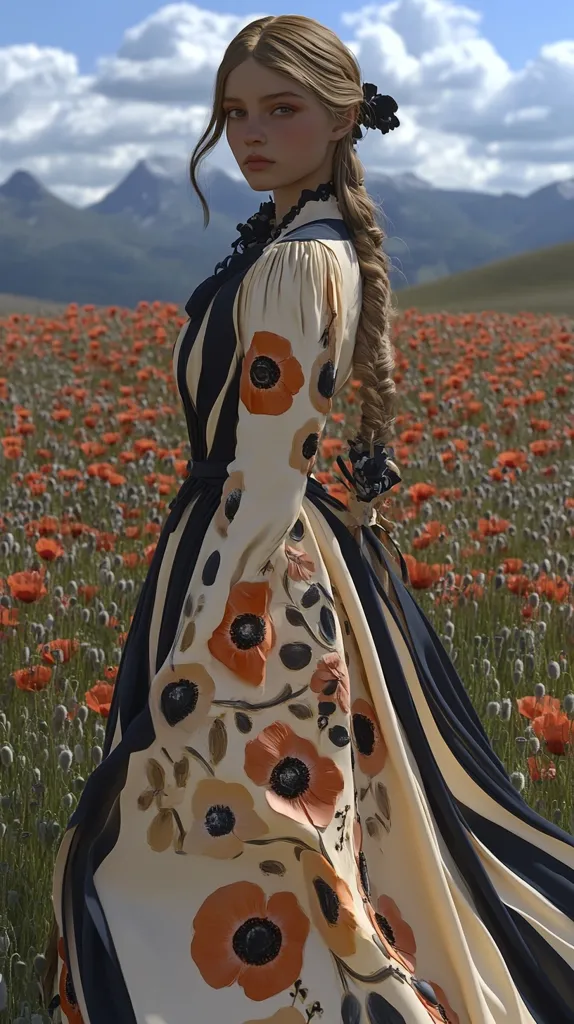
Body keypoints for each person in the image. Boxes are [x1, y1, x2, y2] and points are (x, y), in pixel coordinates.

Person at [46, 15, 574, 1024]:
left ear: (341, 119)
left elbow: (270, 470)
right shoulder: (295, 242)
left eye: (279, 109)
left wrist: (207, 645)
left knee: (218, 834)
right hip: (254, 557)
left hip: (253, 581)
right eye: (234, 112)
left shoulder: (298, 262)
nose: (249, 133)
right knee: (279, 842)